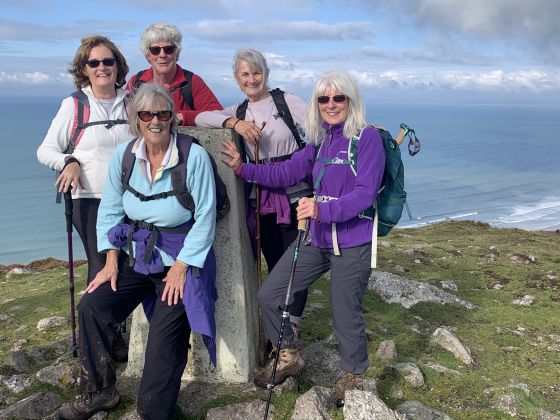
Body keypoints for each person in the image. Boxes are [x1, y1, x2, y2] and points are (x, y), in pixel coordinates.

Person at [221, 71, 385, 407]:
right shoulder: (321, 138)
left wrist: (322, 210)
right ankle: (288, 355)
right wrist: (243, 170)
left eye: (338, 98)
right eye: (323, 99)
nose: (331, 104)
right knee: (269, 294)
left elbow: (365, 194)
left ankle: (353, 378)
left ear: (351, 101)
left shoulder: (367, 138)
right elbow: (288, 172)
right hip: (316, 236)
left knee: (344, 313)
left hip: (351, 241)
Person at [57, 83, 217, 420]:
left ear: (172, 117)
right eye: (147, 114)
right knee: (92, 306)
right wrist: (110, 260)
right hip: (137, 256)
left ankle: (153, 409)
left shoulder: (193, 157)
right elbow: (111, 210)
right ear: (136, 119)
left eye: (162, 113)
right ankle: (100, 391)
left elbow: (205, 218)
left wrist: (182, 267)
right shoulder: (125, 156)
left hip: (180, 261)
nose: (155, 121)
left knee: (162, 348)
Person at [196, 48, 312, 341]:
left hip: (295, 194)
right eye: (245, 74)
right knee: (274, 262)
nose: (252, 79)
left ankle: (292, 327)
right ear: (237, 79)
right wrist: (235, 124)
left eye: (257, 72)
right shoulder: (238, 111)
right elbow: (201, 118)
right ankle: (278, 326)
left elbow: (318, 123)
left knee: (294, 264)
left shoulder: (285, 102)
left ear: (266, 73)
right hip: (261, 198)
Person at [37, 35, 131, 284]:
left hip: (133, 198)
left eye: (108, 61)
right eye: (94, 63)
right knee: (102, 264)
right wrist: (69, 162)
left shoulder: (132, 103)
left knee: (134, 265)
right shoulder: (74, 104)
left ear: (118, 65)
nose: (102, 67)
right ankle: (98, 321)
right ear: (83, 69)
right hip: (90, 201)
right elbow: (45, 150)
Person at [126, 22, 222, 126]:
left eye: (168, 49)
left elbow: (217, 115)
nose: (162, 55)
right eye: (155, 50)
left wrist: (182, 116)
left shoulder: (191, 82)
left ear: (176, 52)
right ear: (148, 55)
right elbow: (125, 116)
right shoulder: (136, 82)